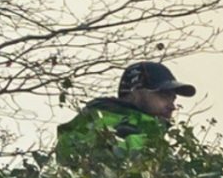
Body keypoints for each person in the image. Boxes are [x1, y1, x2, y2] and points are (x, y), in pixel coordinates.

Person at [55, 61, 197, 160]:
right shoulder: (100, 121)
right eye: (163, 95)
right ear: (135, 92)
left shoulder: (155, 137)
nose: (172, 106)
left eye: (173, 99)